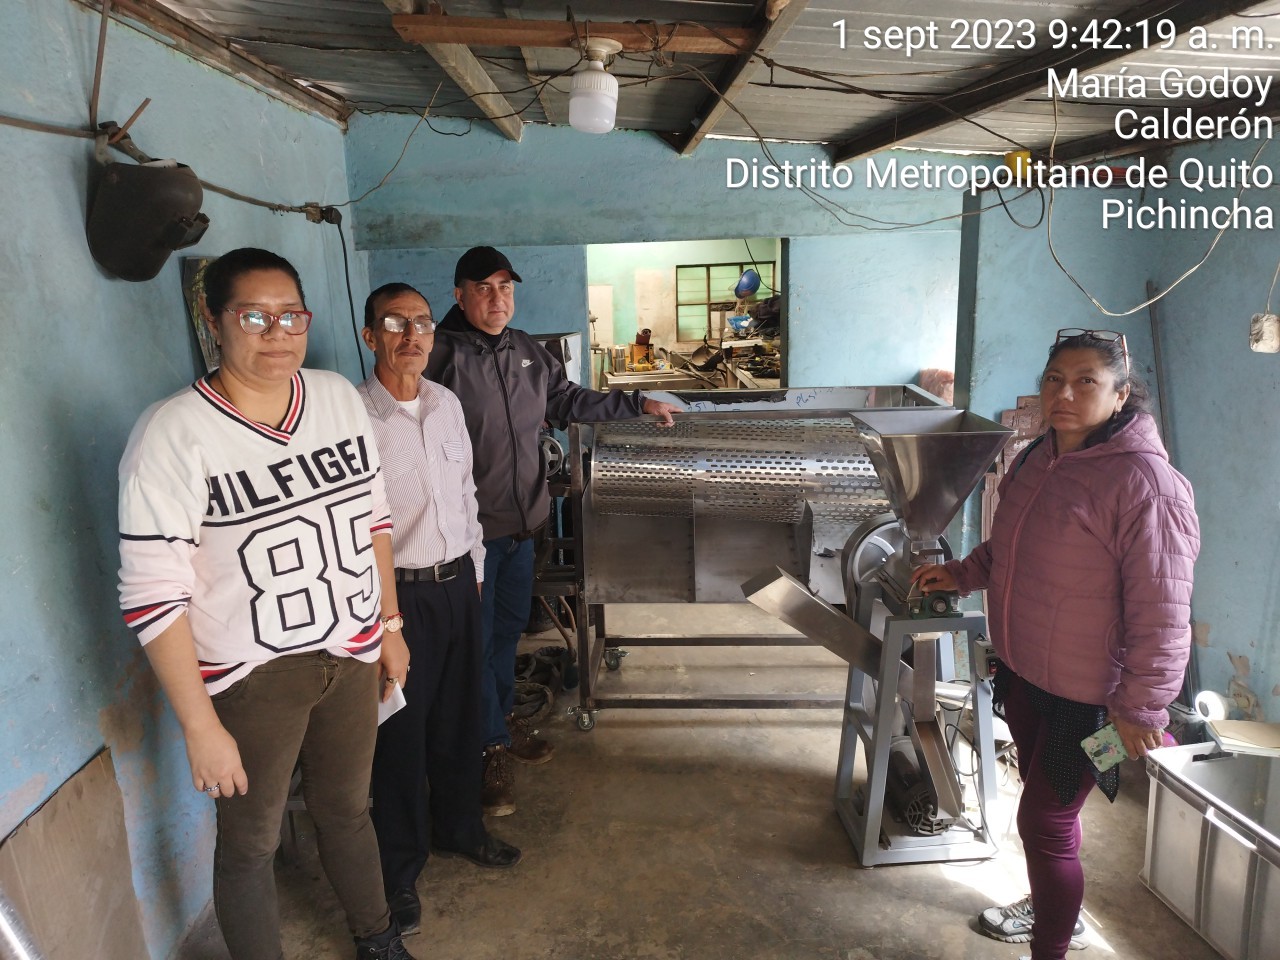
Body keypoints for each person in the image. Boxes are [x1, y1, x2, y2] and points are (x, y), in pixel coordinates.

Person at [117, 248, 413, 960]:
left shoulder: (335, 398)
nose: (277, 333)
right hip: (252, 679)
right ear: (214, 320)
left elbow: (373, 519)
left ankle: (378, 940)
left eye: (291, 316)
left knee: (348, 810)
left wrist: (390, 625)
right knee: (250, 844)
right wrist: (199, 725)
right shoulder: (172, 434)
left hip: (351, 652)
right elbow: (153, 595)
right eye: (253, 316)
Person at [912, 329, 1199, 960]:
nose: (1064, 394)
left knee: (1045, 821)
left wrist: (1141, 709)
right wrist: (962, 574)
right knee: (1048, 815)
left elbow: (1163, 612)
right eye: (1054, 380)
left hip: (1092, 701)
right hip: (1026, 674)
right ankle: (1052, 909)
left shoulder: (1146, 485)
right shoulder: (1036, 458)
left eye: (1086, 381)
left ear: (1120, 395)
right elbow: (1010, 546)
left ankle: (1052, 944)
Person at [426, 246, 682, 816]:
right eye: (484, 288)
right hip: (469, 536)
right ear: (459, 295)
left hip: (525, 528)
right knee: (473, 643)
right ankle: (486, 749)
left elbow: (566, 400)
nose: (497, 299)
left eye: (505, 287)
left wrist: (638, 403)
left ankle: (500, 721)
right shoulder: (438, 355)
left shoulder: (526, 350)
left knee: (506, 635)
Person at [357, 282, 522, 936]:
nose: (411, 336)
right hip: (397, 597)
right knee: (400, 732)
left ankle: (460, 827)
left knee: (460, 717)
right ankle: (398, 869)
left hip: (458, 586)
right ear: (370, 336)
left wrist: (476, 573)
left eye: (421, 323)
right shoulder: (355, 416)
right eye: (395, 323)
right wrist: (381, 619)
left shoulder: (446, 404)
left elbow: (465, 497)